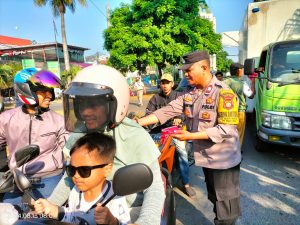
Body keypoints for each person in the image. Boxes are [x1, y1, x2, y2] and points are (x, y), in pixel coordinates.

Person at [47, 65, 165, 225]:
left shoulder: (134, 135)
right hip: (86, 207)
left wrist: (146, 221)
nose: (85, 112)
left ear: (114, 103)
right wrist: (49, 206)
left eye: (94, 105)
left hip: (128, 211)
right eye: (81, 104)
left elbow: (154, 187)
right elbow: (70, 177)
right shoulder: (81, 131)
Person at [136, 50, 242, 225]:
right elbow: (166, 111)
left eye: (188, 70)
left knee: (227, 209)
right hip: (207, 159)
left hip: (224, 162)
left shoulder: (224, 92)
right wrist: (137, 122)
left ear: (204, 67)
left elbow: (226, 129)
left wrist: (190, 136)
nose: (185, 74)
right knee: (216, 200)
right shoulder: (192, 93)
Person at [0, 68, 69, 206]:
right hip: (16, 178)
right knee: (8, 215)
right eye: (43, 91)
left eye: (50, 91)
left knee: (47, 217)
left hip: (49, 178)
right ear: (26, 90)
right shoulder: (7, 118)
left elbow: (71, 148)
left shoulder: (58, 120)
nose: (50, 95)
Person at [33, 132, 131, 225]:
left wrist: (112, 221)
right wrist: (53, 209)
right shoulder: (76, 190)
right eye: (71, 169)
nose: (76, 175)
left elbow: (125, 222)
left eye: (84, 170)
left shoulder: (115, 197)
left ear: (107, 168)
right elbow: (73, 216)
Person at [145, 73, 195, 197]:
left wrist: (180, 117)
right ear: (160, 84)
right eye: (163, 82)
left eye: (168, 83)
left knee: (182, 154)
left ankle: (186, 183)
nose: (165, 85)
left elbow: (187, 112)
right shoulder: (155, 98)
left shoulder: (179, 96)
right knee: (146, 152)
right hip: (158, 131)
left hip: (175, 131)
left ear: (172, 84)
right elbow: (148, 114)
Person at [223, 63, 254, 147]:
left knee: (227, 132)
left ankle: (227, 150)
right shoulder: (242, 83)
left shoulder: (223, 82)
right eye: (242, 69)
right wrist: (253, 83)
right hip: (239, 111)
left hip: (225, 113)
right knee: (238, 133)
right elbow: (251, 96)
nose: (242, 71)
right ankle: (237, 152)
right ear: (238, 71)